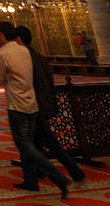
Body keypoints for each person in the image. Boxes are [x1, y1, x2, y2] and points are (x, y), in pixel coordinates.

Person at [0, 22, 70, 198]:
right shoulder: (25, 51)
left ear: (2, 35)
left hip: (17, 105)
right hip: (32, 103)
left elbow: (0, 79)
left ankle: (58, 177)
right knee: (27, 143)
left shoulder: (3, 53)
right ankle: (31, 181)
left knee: (24, 145)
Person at [17, 26, 84, 186]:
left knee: (29, 143)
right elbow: (49, 83)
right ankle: (38, 174)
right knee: (39, 142)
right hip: (44, 105)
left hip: (32, 106)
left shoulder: (24, 59)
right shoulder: (40, 57)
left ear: (19, 39)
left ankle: (67, 173)